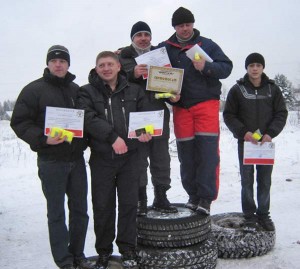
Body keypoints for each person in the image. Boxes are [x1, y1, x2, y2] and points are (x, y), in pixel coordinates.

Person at [10, 45, 94, 269]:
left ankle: (78, 255)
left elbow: (88, 120)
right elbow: (19, 122)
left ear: (68, 64)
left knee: (80, 211)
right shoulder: (33, 90)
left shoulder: (77, 90)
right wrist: (42, 138)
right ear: (48, 63)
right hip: (51, 162)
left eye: (63, 61)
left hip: (76, 161)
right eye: (54, 60)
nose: (58, 64)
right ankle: (64, 260)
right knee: (56, 213)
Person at [77, 51, 152, 269]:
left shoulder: (135, 90)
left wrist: (145, 132)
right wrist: (112, 138)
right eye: (102, 65)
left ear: (119, 66)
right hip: (102, 158)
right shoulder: (86, 92)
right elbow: (88, 117)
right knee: (103, 206)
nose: (106, 68)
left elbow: (145, 115)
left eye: (110, 64)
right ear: (96, 68)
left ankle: (127, 249)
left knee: (129, 204)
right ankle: (104, 252)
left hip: (131, 158)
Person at [156, 7, 233, 215]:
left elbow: (226, 67)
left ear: (193, 24)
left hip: (205, 105)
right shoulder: (166, 48)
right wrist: (123, 53)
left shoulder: (207, 44)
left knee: (207, 154)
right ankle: (193, 194)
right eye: (180, 25)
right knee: (186, 155)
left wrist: (206, 67)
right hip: (181, 108)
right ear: (174, 27)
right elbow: (151, 66)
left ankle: (206, 198)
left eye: (188, 24)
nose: (184, 29)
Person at [118, 21, 178, 215]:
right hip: (136, 116)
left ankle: (161, 196)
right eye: (139, 35)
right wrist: (131, 73)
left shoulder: (161, 56)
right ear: (132, 38)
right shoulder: (123, 56)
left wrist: (173, 95)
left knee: (161, 158)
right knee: (139, 160)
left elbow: (169, 82)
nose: (143, 38)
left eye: (146, 34)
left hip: (158, 114)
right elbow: (114, 79)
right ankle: (140, 200)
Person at [223, 53, 288, 231]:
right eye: (251, 65)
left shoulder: (273, 89)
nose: (255, 68)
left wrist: (271, 133)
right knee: (247, 180)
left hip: (265, 144)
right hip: (246, 143)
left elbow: (281, 113)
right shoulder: (237, 89)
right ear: (247, 68)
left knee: (265, 180)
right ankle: (249, 215)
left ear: (263, 67)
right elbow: (229, 115)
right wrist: (244, 132)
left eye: (258, 65)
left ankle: (263, 214)